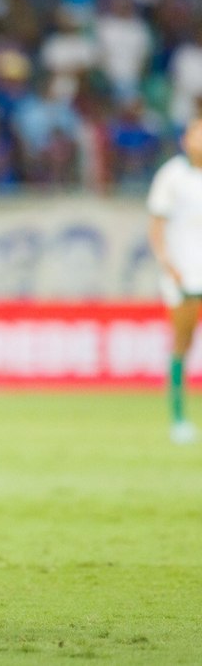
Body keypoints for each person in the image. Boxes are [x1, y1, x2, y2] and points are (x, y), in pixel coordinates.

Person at [148, 115, 202, 445]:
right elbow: (156, 228)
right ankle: (178, 418)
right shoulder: (172, 176)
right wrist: (169, 265)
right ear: (185, 139)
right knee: (183, 342)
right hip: (184, 273)